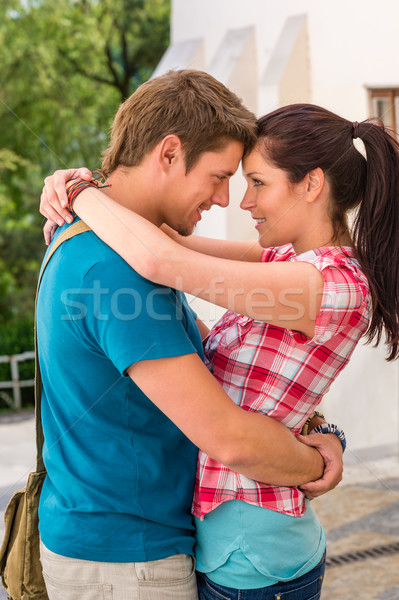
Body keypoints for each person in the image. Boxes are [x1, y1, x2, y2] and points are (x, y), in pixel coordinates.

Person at [41, 101, 399, 600]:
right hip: (232, 544)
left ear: (312, 185)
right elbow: (165, 238)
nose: (243, 202)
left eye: (258, 183)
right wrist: (79, 185)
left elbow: (161, 259)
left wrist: (80, 192)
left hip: (253, 555)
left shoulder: (326, 286)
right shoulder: (283, 262)